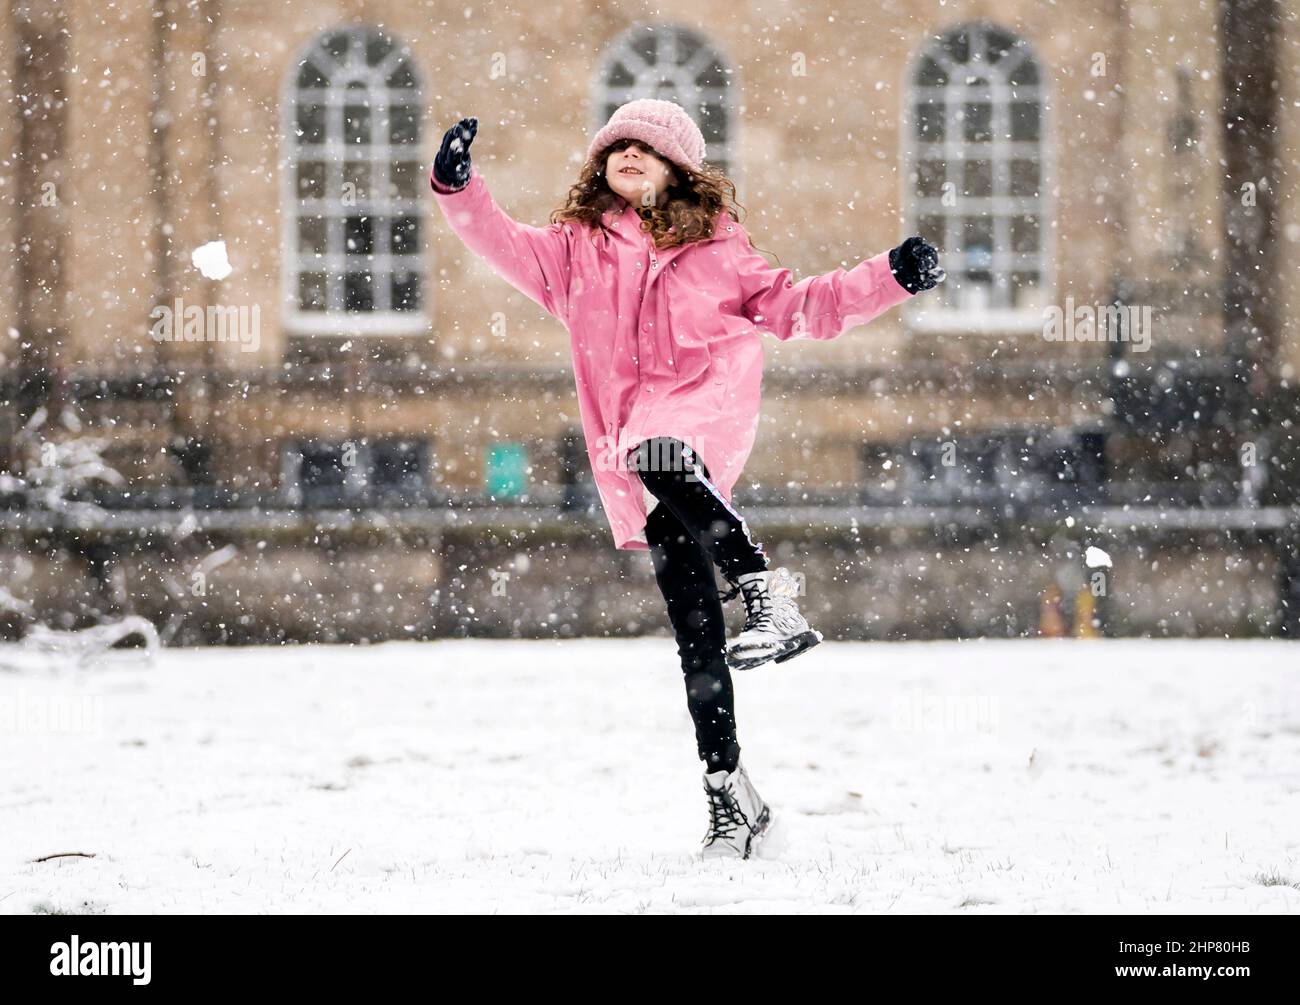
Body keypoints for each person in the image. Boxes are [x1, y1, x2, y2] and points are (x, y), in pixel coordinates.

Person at [430, 99, 944, 859]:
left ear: (680, 170)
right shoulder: (573, 252)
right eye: (617, 145)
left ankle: (768, 592)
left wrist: (889, 278)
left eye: (647, 146)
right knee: (693, 621)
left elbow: (803, 307)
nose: (629, 153)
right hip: (644, 448)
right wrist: (457, 185)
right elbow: (495, 238)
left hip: (702, 414)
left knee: (655, 447)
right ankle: (730, 792)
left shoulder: (721, 249)